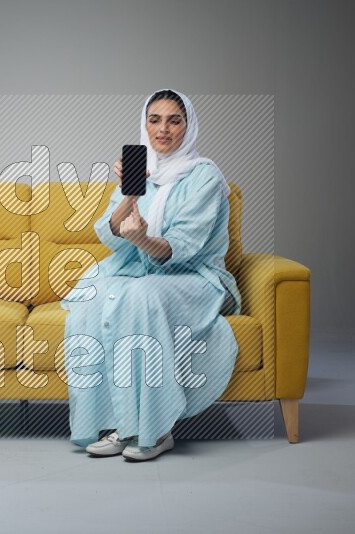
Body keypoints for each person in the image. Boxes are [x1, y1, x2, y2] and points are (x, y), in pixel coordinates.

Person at [59, 89, 242, 462]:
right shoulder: (143, 170)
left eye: (174, 120)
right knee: (91, 299)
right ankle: (119, 424)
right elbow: (109, 234)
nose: (163, 129)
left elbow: (184, 246)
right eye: (154, 120)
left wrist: (142, 238)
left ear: (188, 127)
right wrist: (130, 192)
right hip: (138, 271)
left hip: (194, 278)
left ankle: (156, 429)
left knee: (141, 297)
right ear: (145, 125)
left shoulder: (204, 176)